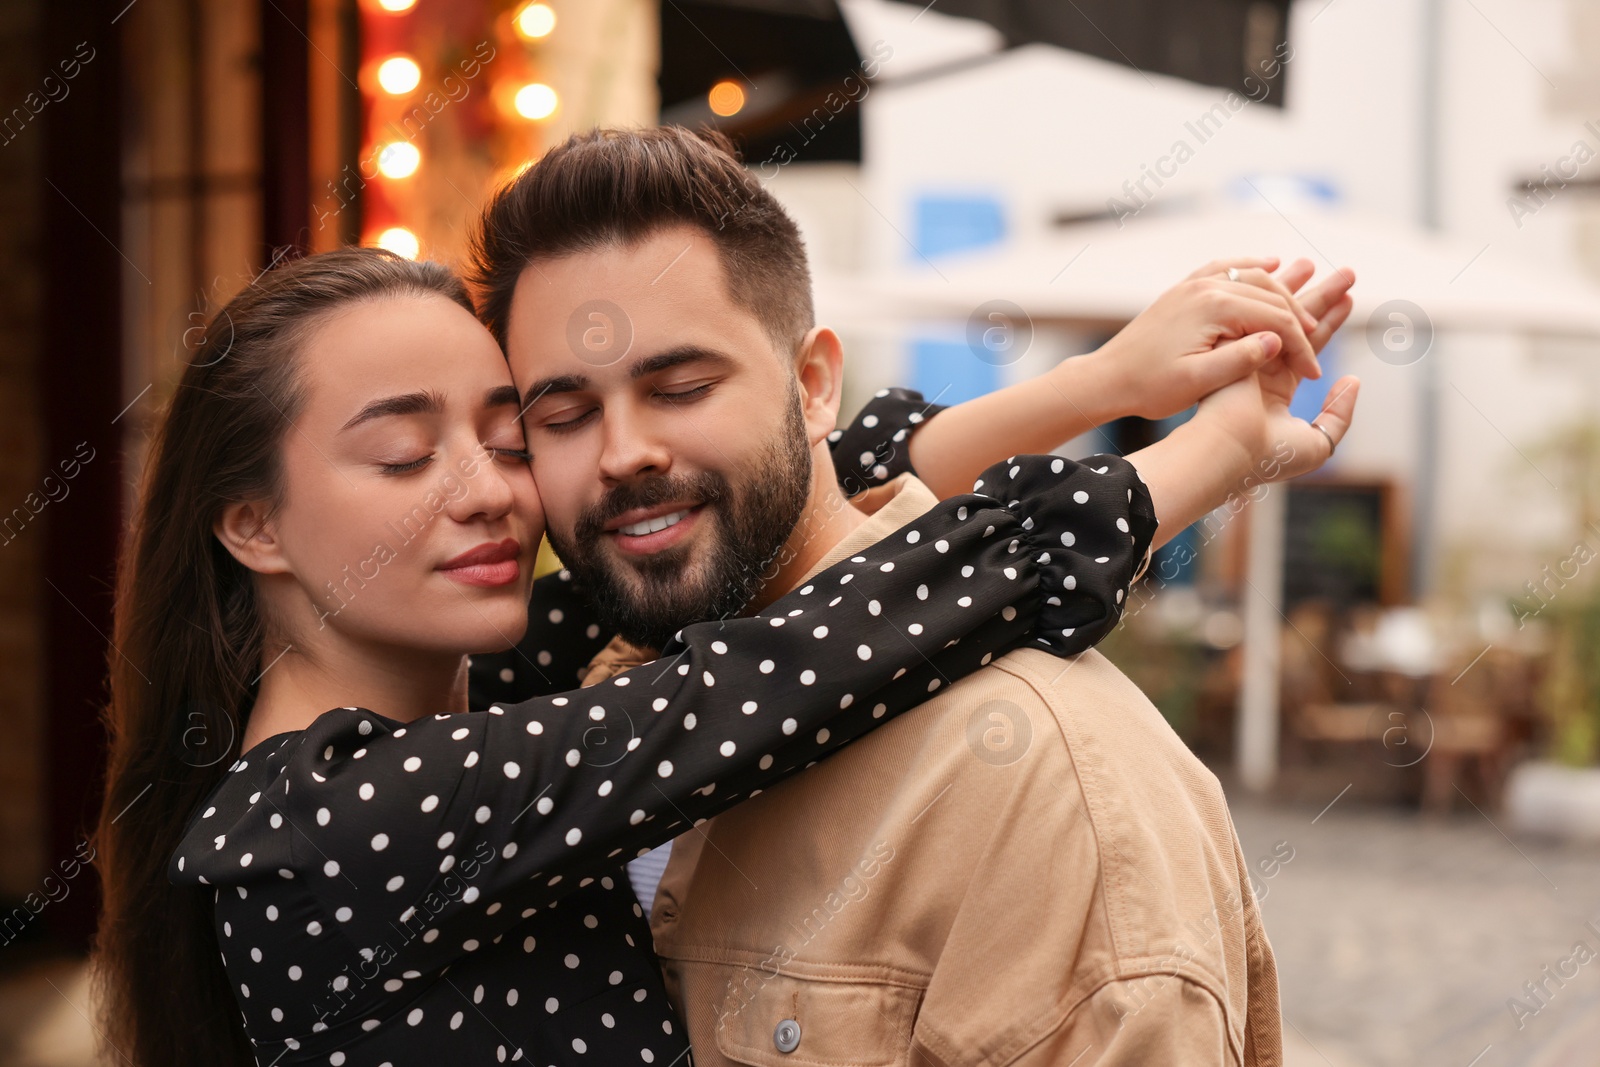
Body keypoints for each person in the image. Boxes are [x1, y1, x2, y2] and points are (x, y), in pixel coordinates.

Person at [93, 248, 1194, 1067]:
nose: (488, 490)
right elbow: (786, 669)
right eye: (403, 454)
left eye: (510, 439)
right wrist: (1198, 462)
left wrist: (1101, 385)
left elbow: (766, 507)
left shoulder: (481, 695)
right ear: (254, 526)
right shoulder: (338, 819)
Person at [471, 126, 1360, 1065]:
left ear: (815, 386)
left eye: (683, 387)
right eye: (563, 416)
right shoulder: (561, 695)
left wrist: (1180, 428)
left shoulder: (1048, 787)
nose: (622, 453)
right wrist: (1110, 386)